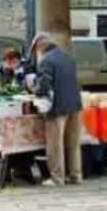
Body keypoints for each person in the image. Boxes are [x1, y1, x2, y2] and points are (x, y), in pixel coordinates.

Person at [30, 32, 83, 186]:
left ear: (40, 46)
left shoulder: (46, 61)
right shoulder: (67, 57)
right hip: (74, 104)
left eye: (35, 50)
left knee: (55, 144)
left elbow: (44, 85)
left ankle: (57, 177)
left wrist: (34, 89)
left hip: (57, 107)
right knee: (73, 144)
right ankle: (75, 175)